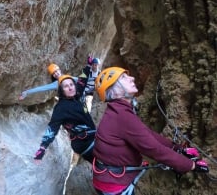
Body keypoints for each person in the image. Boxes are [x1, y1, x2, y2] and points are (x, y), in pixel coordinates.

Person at [92, 67, 209, 195]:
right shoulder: (121, 115)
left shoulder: (117, 111)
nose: (132, 78)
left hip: (107, 178)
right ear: (114, 91)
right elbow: (153, 149)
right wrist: (191, 165)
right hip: (113, 184)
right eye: (124, 78)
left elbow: (146, 133)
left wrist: (178, 148)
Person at [33, 73, 96, 164]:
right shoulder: (61, 108)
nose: (70, 88)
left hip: (92, 138)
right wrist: (42, 148)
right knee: (110, 162)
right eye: (66, 86)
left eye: (71, 85)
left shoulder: (78, 96)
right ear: (61, 91)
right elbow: (53, 127)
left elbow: (82, 80)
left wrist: (89, 66)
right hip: (84, 143)